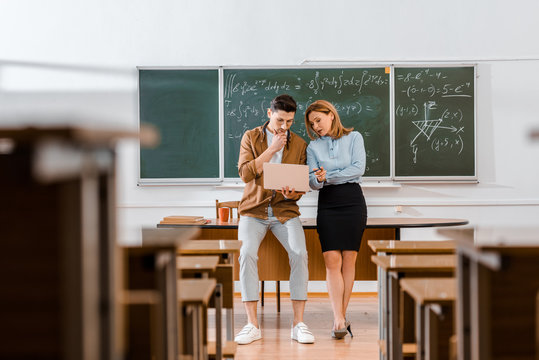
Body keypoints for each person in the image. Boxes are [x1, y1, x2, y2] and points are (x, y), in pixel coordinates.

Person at [234, 94, 315, 345]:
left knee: (300, 253)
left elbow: (301, 186)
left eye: (289, 122)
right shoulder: (251, 137)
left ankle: (298, 324)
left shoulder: (300, 144)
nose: (284, 127)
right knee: (246, 253)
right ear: (270, 114)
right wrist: (271, 150)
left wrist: (294, 193)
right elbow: (245, 173)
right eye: (280, 120)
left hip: (285, 211)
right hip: (253, 210)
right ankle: (252, 325)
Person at [304, 99, 368, 339]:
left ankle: (340, 317)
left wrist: (327, 175)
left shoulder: (355, 138)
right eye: (312, 124)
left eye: (318, 120)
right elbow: (312, 182)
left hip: (352, 201)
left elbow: (358, 169)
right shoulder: (312, 148)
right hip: (328, 203)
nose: (316, 127)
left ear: (331, 114)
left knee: (349, 259)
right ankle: (339, 318)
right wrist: (319, 180)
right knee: (332, 260)